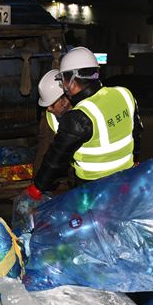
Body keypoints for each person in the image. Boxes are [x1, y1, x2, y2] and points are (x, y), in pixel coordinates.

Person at [27, 47, 143, 200]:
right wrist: (134, 159)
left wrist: (37, 187)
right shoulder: (124, 93)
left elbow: (56, 159)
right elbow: (137, 131)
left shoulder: (78, 116)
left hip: (92, 189)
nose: (63, 85)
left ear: (72, 81)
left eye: (63, 80)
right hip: (125, 181)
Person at [33, 69, 73, 174]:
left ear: (65, 99)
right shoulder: (49, 118)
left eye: (51, 104)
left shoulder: (86, 111)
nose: (48, 109)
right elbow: (43, 151)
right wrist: (36, 183)